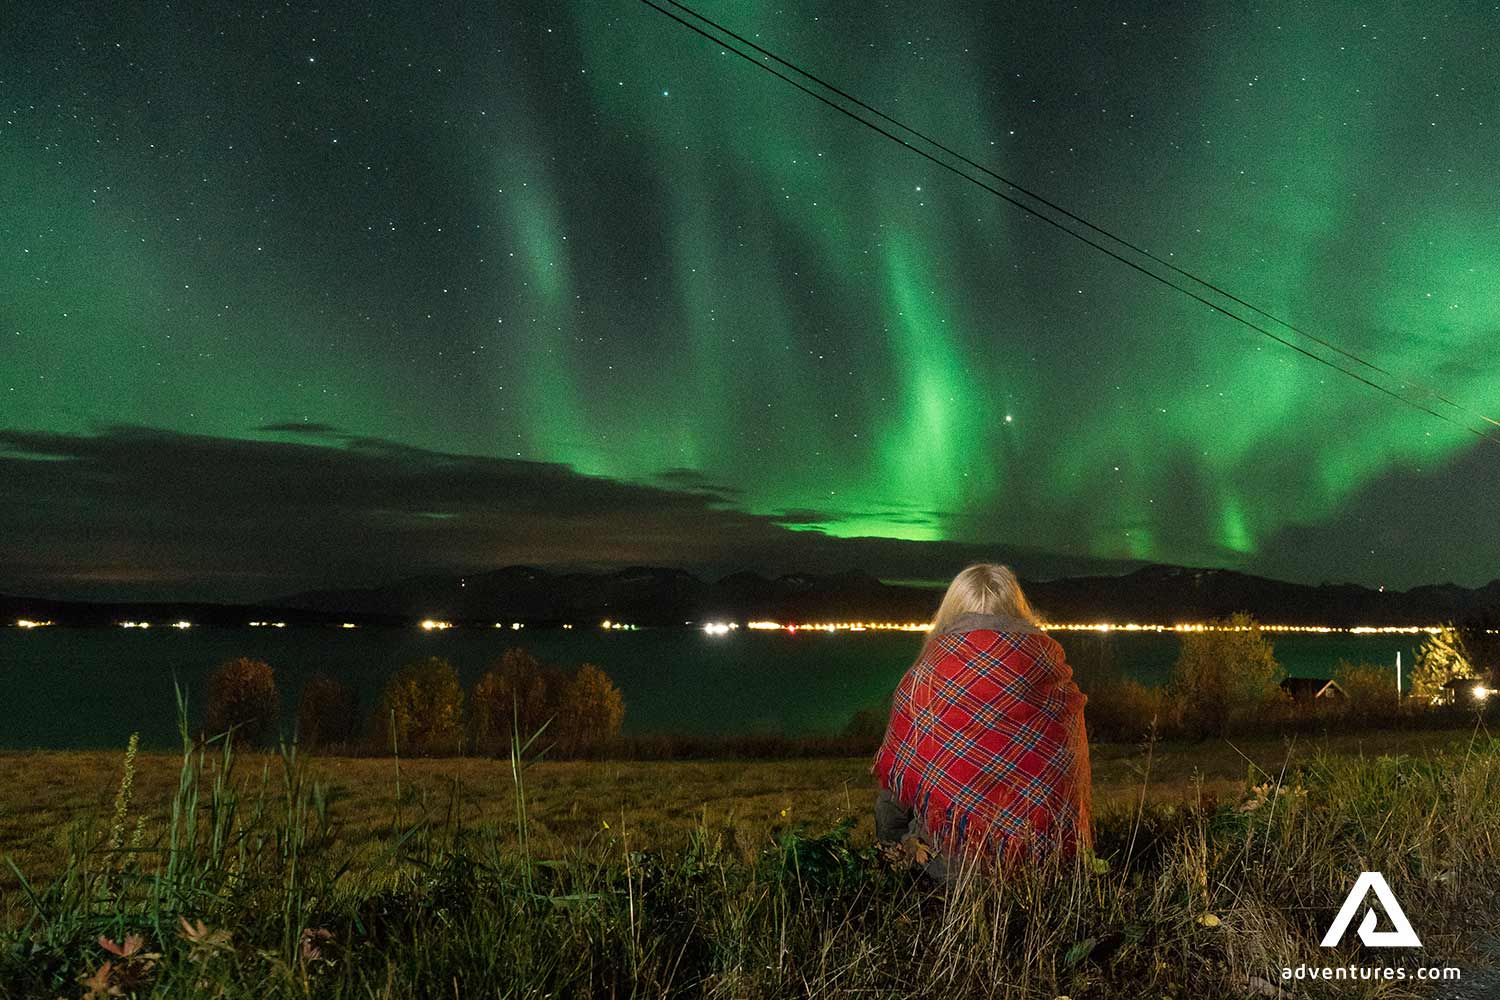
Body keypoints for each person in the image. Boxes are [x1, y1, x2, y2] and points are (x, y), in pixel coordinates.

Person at [872, 563, 1092, 879]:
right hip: (1050, 865)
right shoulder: (1054, 678)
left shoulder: (925, 680)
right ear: (1018, 610)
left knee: (893, 812)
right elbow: (1071, 784)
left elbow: (896, 793)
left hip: (953, 871)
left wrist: (890, 852)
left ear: (949, 613)